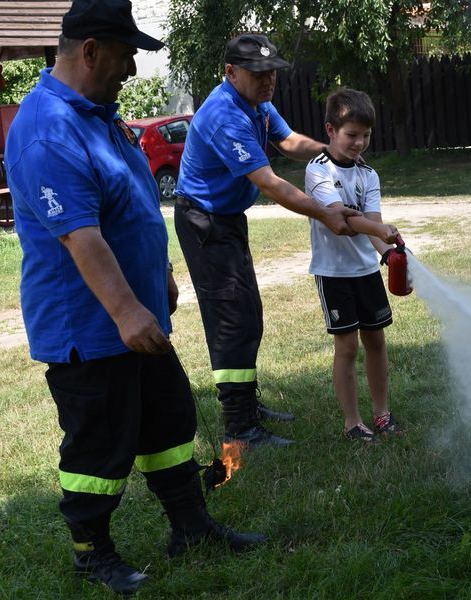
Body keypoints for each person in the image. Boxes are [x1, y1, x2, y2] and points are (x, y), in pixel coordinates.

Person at [4, 0, 266, 594]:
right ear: (91, 50)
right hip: (89, 329)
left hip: (137, 316)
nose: (131, 70)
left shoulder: (100, 116)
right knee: (100, 446)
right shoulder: (48, 128)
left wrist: (161, 274)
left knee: (170, 423)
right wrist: (124, 309)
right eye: (124, 57)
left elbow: (135, 207)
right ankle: (91, 551)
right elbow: (80, 234)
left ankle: (191, 525)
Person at [175, 34, 360, 448]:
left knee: (248, 312)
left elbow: (290, 141)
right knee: (231, 319)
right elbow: (270, 183)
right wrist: (325, 212)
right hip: (203, 222)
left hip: (226, 219)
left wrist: (336, 152)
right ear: (231, 73)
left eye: (272, 71)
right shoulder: (226, 115)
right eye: (259, 74)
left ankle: (247, 405)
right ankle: (239, 426)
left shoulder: (256, 104)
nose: (269, 80)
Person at [306, 88, 404, 442]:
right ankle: (352, 423)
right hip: (334, 274)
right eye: (351, 135)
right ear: (331, 130)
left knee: (376, 342)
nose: (359, 142)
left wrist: (388, 254)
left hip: (366, 272)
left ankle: (382, 415)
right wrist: (380, 229)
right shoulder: (318, 171)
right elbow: (344, 221)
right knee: (347, 347)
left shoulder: (369, 175)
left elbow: (374, 223)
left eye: (365, 135)